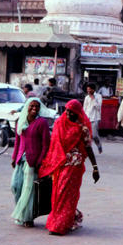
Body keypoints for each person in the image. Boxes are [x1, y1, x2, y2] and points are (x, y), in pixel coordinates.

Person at [39, 100, 100, 235]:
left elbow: (88, 148)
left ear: (77, 113)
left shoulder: (82, 129)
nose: (68, 113)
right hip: (60, 163)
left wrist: (95, 167)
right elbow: (54, 144)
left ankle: (60, 225)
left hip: (74, 166)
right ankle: (66, 218)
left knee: (66, 194)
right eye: (66, 110)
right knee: (58, 194)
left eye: (71, 111)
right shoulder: (59, 123)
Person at [10, 98, 51, 227]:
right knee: (16, 186)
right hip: (20, 159)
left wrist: (40, 162)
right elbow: (17, 141)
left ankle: (28, 218)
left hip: (33, 161)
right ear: (26, 106)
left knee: (28, 189)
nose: (34, 108)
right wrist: (14, 157)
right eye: (32, 105)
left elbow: (46, 144)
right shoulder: (20, 121)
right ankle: (21, 213)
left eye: (37, 106)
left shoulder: (42, 123)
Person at [83, 83, 103, 154]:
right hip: (87, 118)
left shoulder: (98, 97)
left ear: (93, 90)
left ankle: (99, 145)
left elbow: (98, 107)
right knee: (87, 136)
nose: (88, 91)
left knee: (94, 135)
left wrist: (93, 99)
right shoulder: (86, 98)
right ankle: (88, 150)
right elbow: (84, 108)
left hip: (95, 118)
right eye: (87, 89)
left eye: (89, 89)